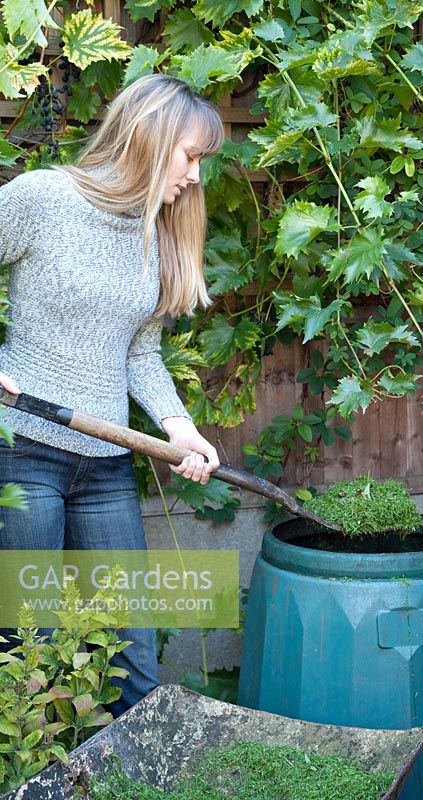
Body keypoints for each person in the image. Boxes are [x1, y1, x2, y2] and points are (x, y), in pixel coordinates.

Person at [0, 73, 224, 716]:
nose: (195, 177)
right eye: (191, 156)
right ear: (150, 137)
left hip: (104, 465)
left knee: (132, 653)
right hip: (25, 453)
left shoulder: (157, 232)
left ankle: (138, 776)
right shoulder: (42, 198)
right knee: (27, 645)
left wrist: (177, 426)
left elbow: (138, 351)